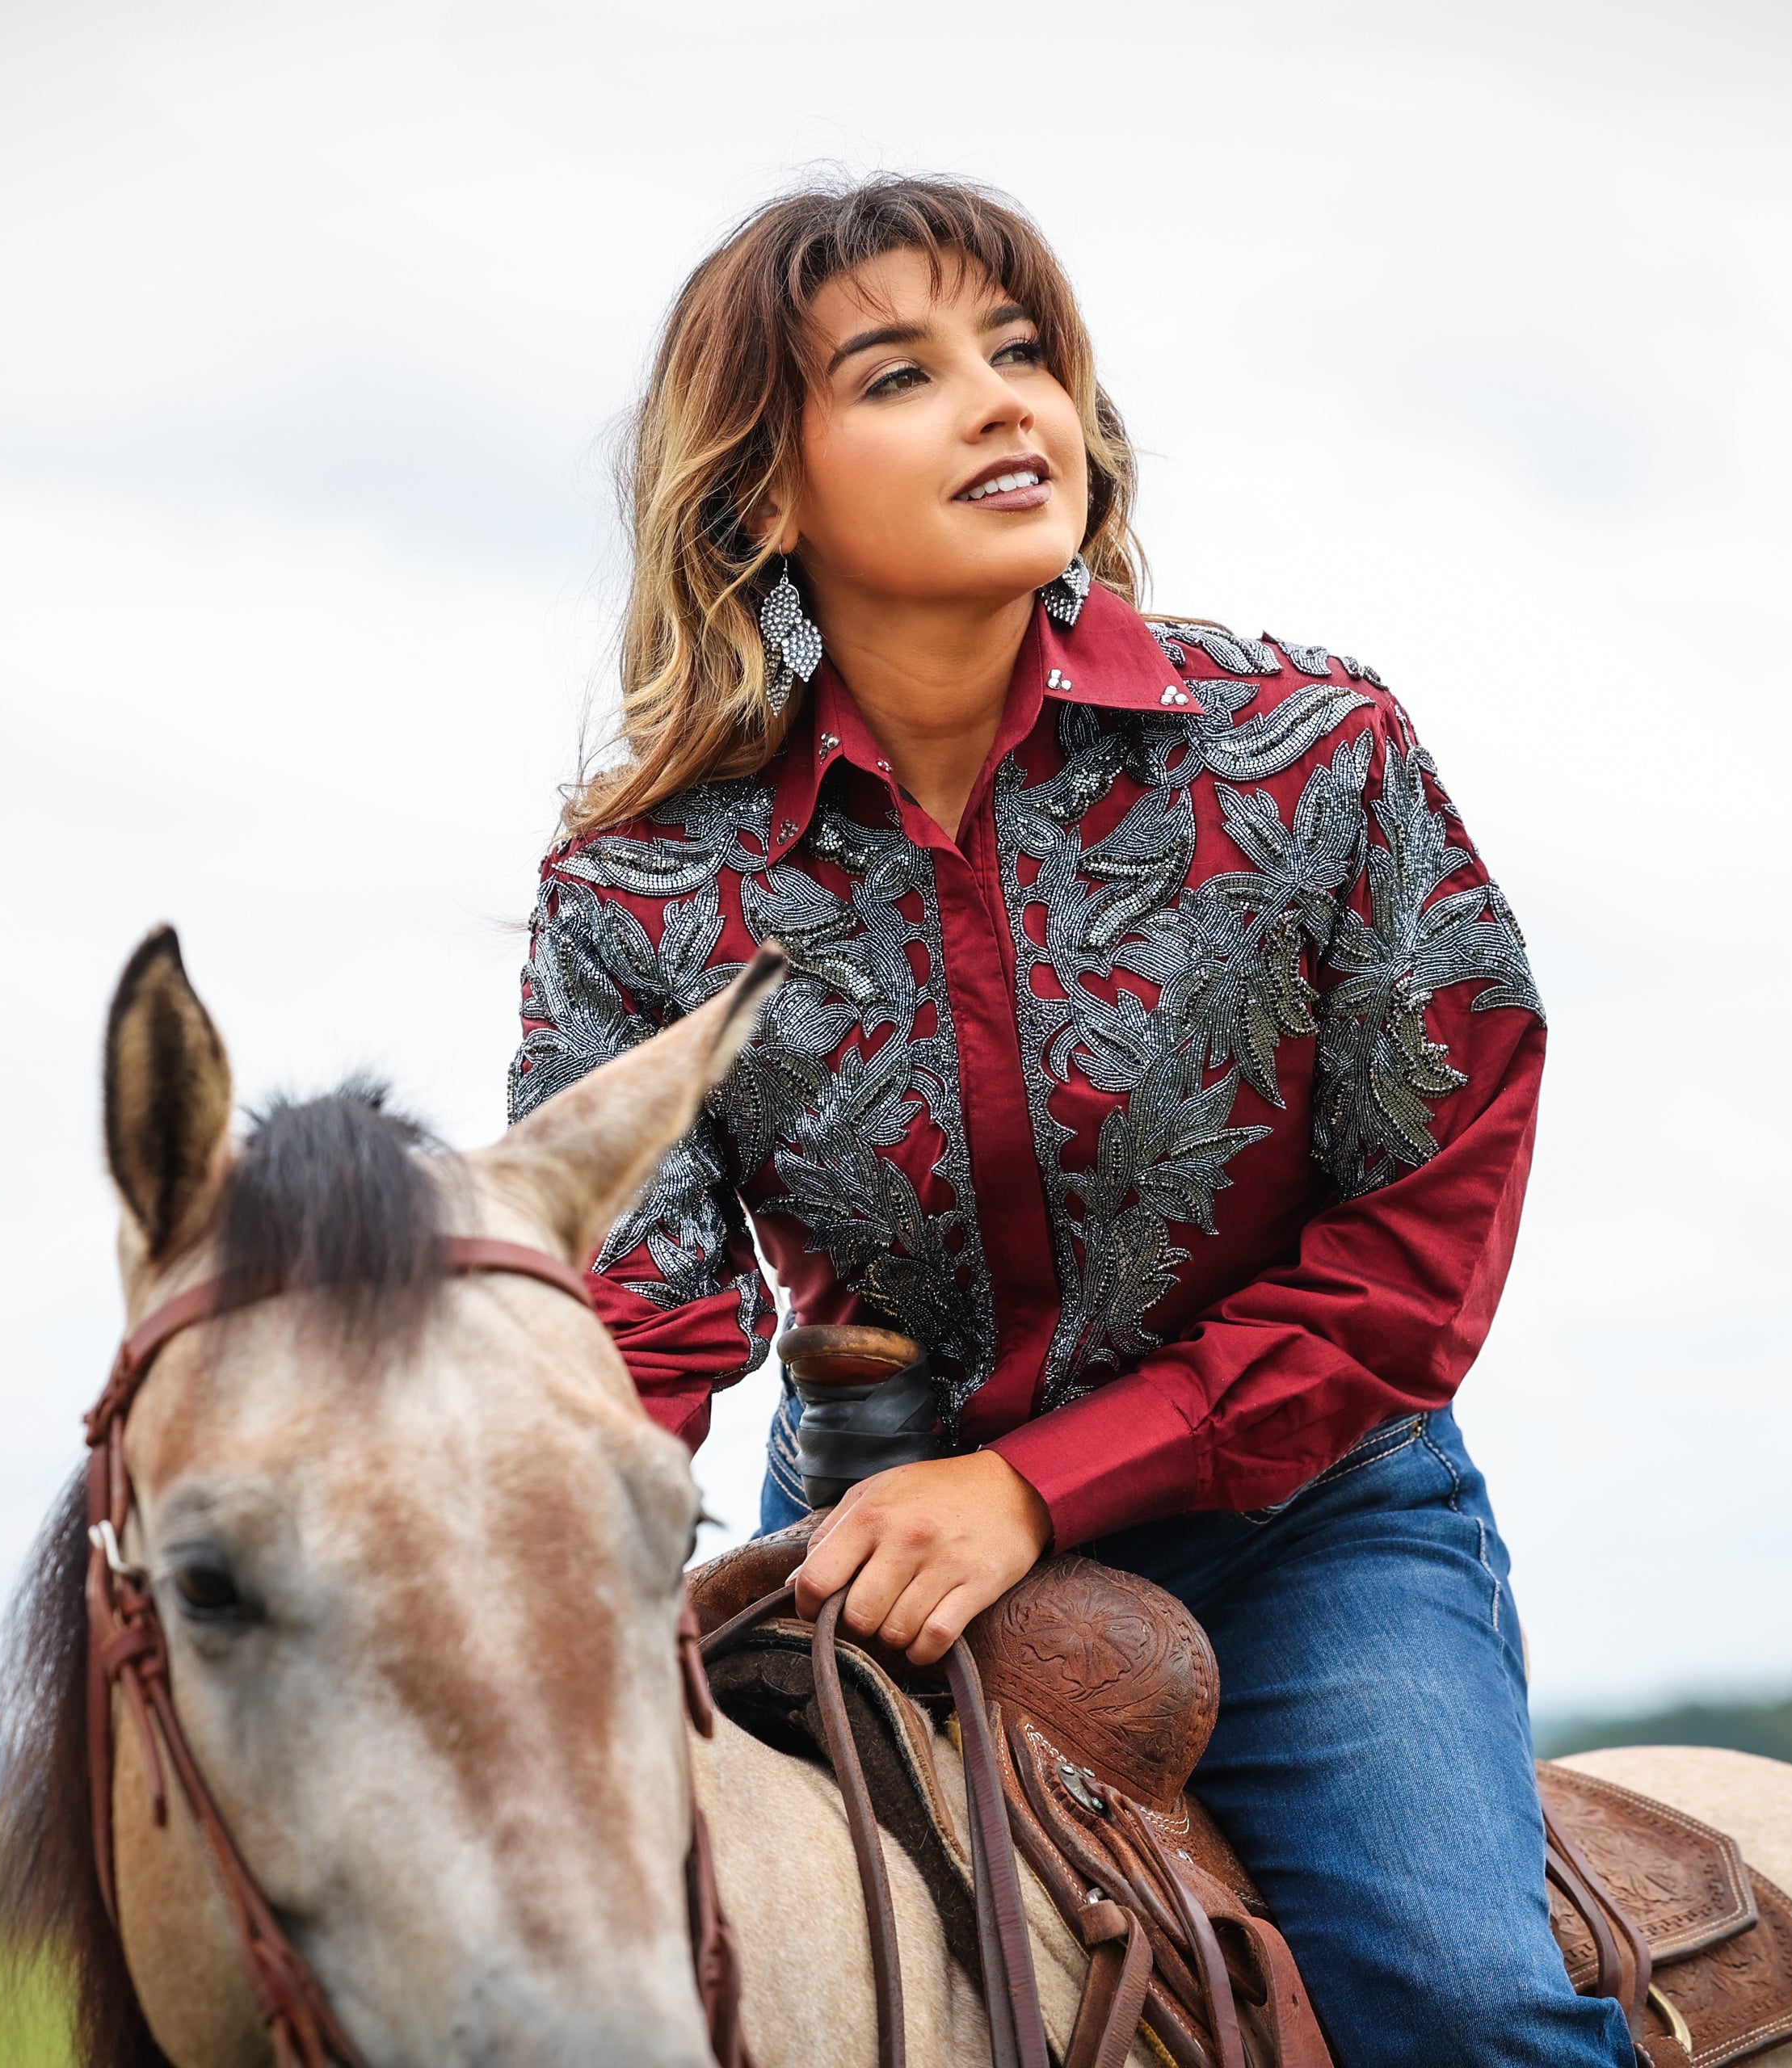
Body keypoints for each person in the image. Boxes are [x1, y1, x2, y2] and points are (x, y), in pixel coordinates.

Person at [507, 174, 1626, 2068]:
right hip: (863, 1565)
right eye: (904, 370)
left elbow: (1415, 1251)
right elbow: (645, 1331)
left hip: (1304, 1532)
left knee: (1464, 2007)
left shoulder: (1314, 752)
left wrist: (1034, 1484)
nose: (1003, 399)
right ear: (763, 492)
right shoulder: (639, 889)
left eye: (1021, 351)